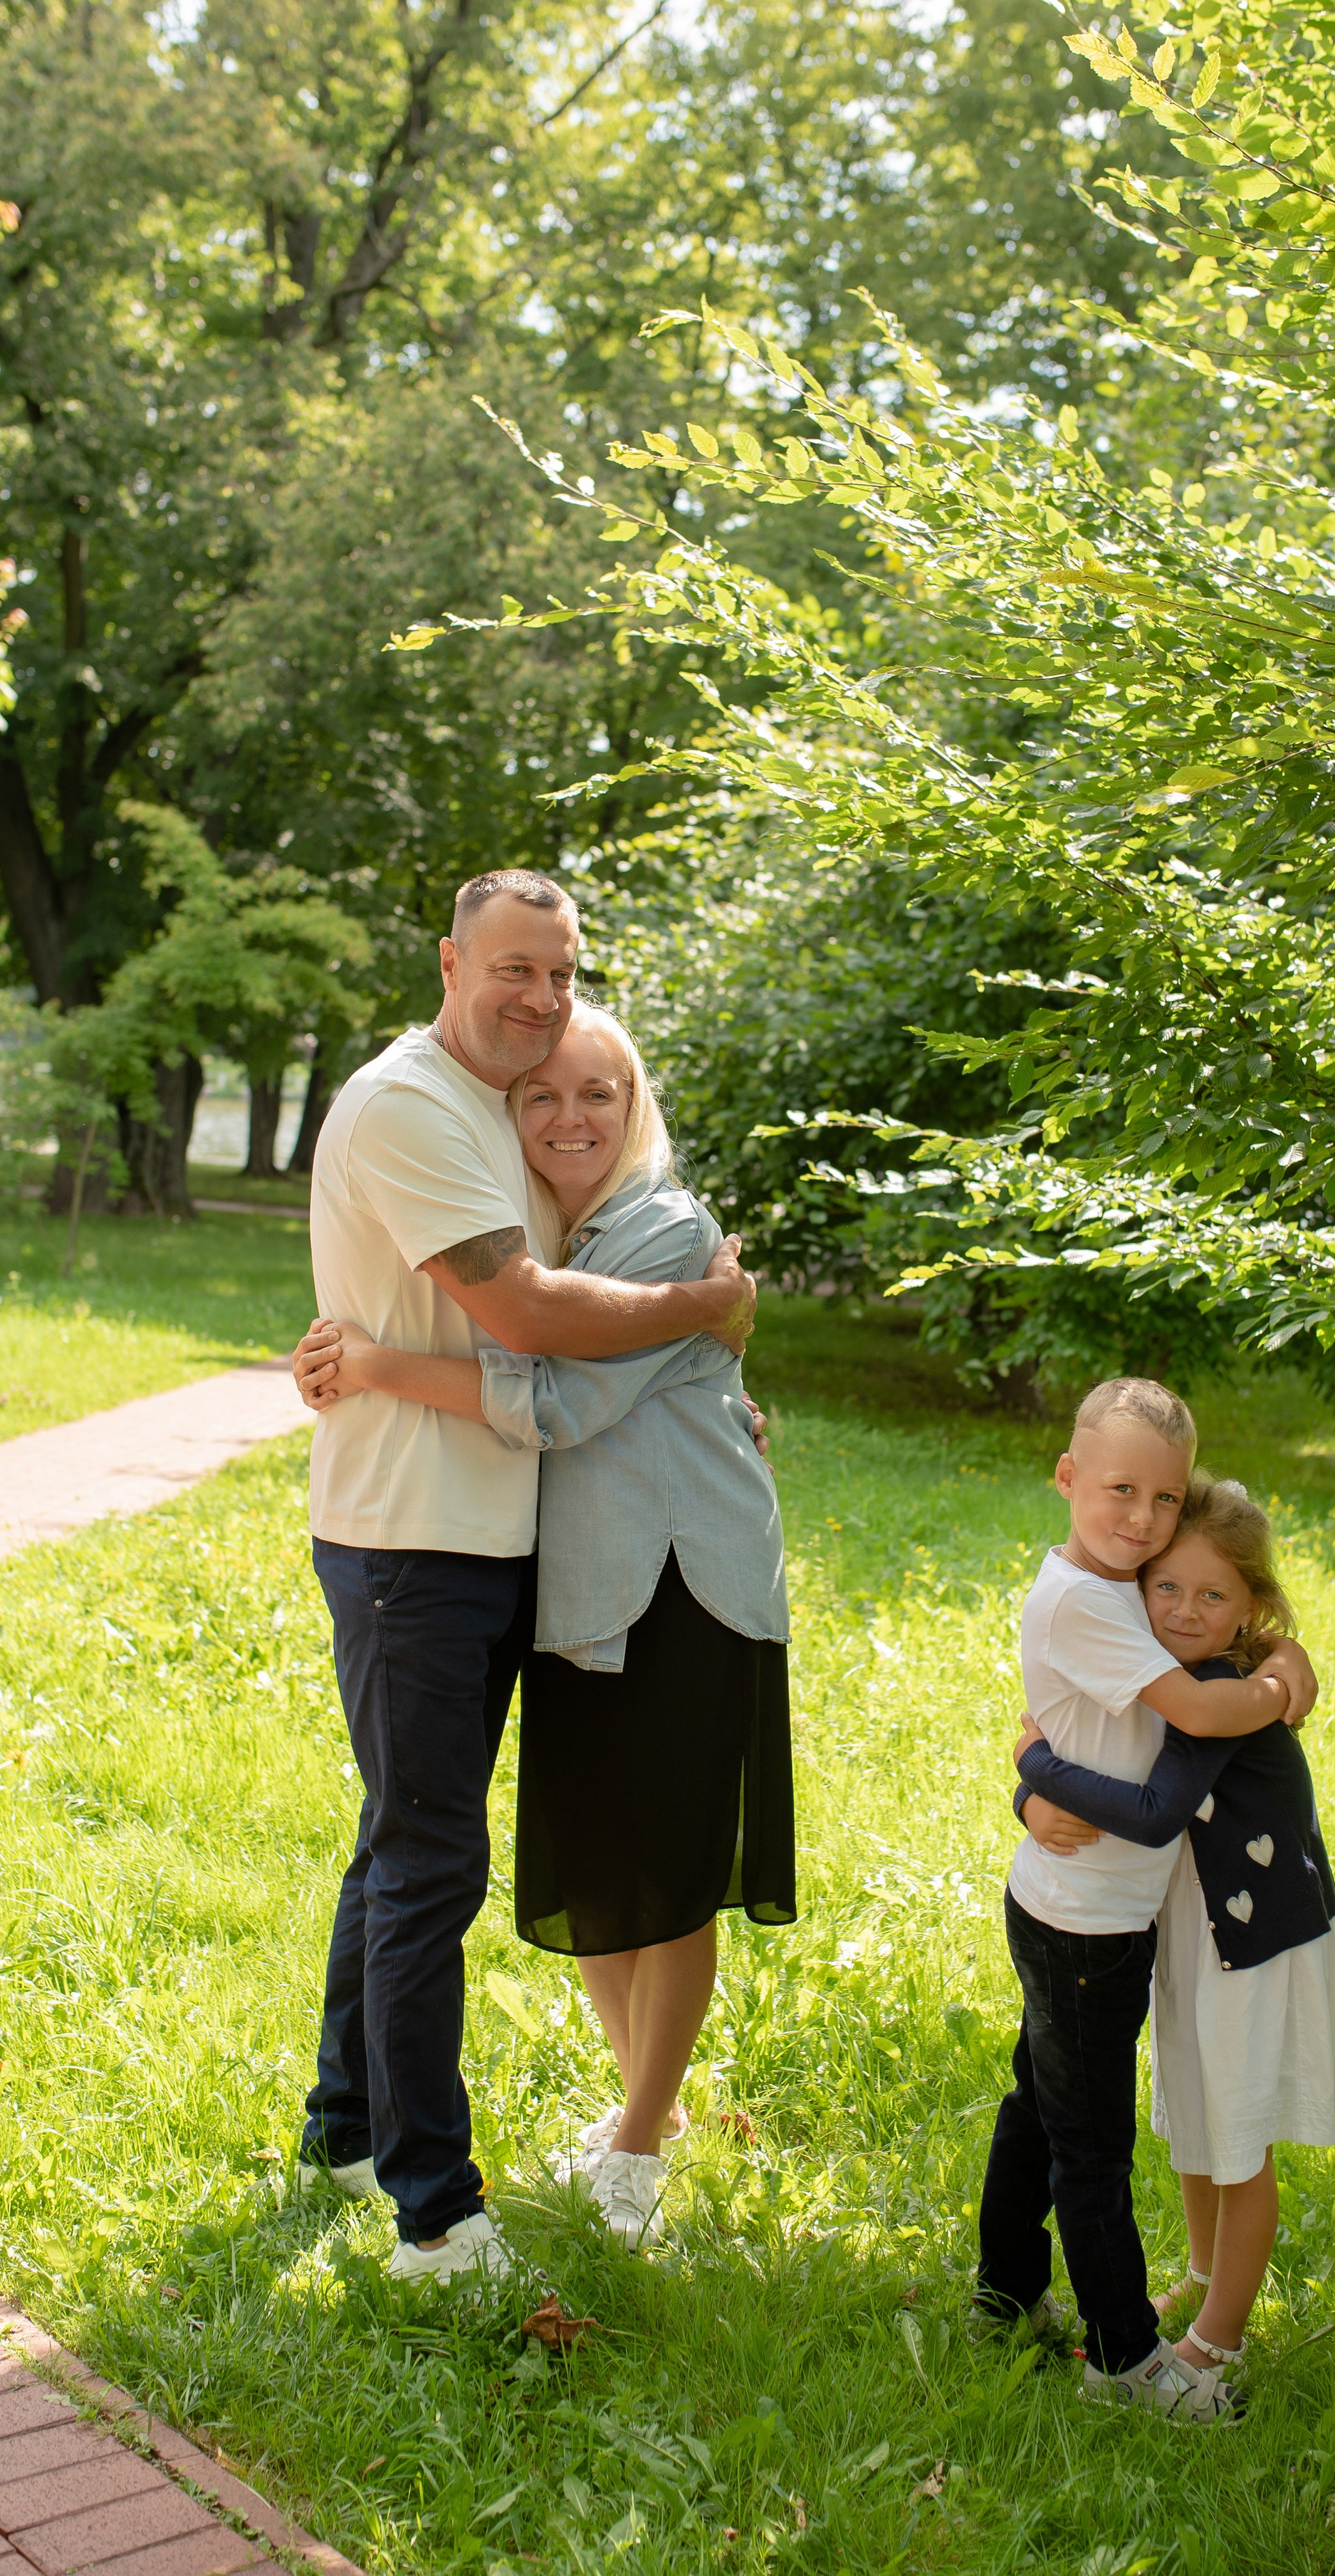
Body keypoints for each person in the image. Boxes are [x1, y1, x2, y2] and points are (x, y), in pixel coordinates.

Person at [291, 869, 755, 2289]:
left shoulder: (504, 1105)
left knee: (401, 1841)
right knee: (430, 1861)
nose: (538, 1001)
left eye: (558, 975)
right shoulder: (413, 1102)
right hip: (414, 1542)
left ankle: (345, 2128)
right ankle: (435, 2216)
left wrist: (699, 1364)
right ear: (449, 960)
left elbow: (562, 1332)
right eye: (513, 970)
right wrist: (708, 1307)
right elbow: (527, 1317)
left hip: (500, 1541)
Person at [969, 1377, 1320, 2424]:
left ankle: (1005, 2290)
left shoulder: (1122, 1581)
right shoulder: (1087, 1599)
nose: (1142, 1518)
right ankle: (1124, 2359)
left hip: (1076, 1901)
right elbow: (1194, 1715)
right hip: (1088, 1919)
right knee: (1091, 2149)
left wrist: (1284, 1646)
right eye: (1120, 1489)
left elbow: (1206, 1619)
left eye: (1164, 1500)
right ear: (1069, 1477)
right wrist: (1273, 1687)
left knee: (1040, 2102)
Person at [1010, 1474, 1335, 2396]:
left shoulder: (1227, 1687)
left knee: (1238, 2134)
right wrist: (1030, 1795)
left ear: (1250, 1607)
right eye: (1165, 1587)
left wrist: (1035, 1765)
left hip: (1253, 1939)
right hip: (1189, 1926)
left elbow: (1153, 1809)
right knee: (1191, 2108)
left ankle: (1220, 2337)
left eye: (1212, 1594)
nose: (1181, 1610)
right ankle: (1203, 2272)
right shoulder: (1159, 1661)